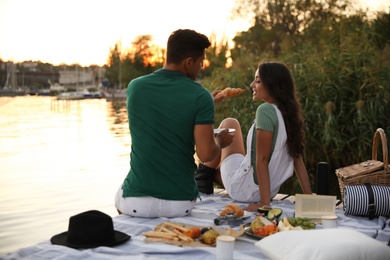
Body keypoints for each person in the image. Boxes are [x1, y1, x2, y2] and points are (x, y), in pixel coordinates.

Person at [115, 29, 234, 218]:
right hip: (180, 204)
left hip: (136, 204)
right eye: (201, 62)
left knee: (121, 191)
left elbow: (164, 114)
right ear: (188, 62)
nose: (201, 66)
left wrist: (207, 103)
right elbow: (205, 154)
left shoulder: (135, 87)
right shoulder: (200, 96)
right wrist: (219, 141)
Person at [195, 61, 312, 212]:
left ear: (272, 84)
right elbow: (298, 159)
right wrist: (309, 197)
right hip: (267, 190)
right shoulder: (288, 114)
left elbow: (261, 160)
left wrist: (264, 203)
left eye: (257, 81)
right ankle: (206, 175)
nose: (251, 85)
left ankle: (203, 176)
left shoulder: (265, 110)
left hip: (245, 190)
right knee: (232, 129)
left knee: (229, 123)